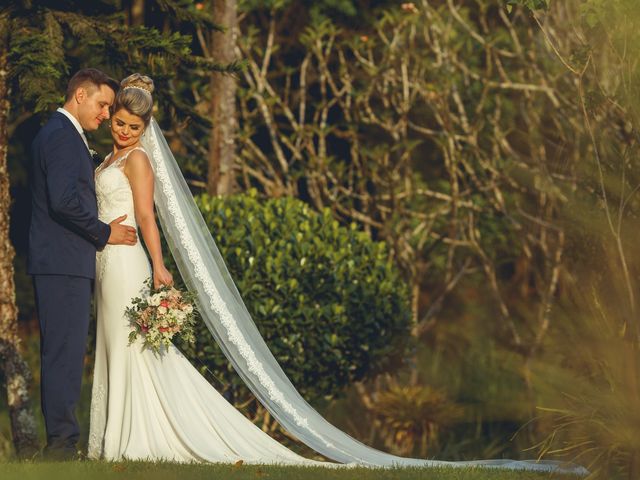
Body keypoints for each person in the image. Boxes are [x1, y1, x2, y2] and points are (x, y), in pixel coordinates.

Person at [88, 72, 586, 474]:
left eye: (133, 126)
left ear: (146, 126)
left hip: (130, 261)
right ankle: (114, 435)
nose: (124, 131)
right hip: (107, 262)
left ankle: (135, 435)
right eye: (120, 124)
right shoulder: (111, 154)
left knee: (131, 346)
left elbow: (148, 217)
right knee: (116, 345)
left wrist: (159, 266)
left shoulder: (138, 161)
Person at [28, 68, 138, 460]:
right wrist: (105, 232)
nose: (107, 114)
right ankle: (60, 445)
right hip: (61, 262)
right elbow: (63, 201)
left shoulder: (66, 135)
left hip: (62, 261)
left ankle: (61, 440)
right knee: (64, 351)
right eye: (103, 104)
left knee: (65, 350)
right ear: (79, 95)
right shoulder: (60, 135)